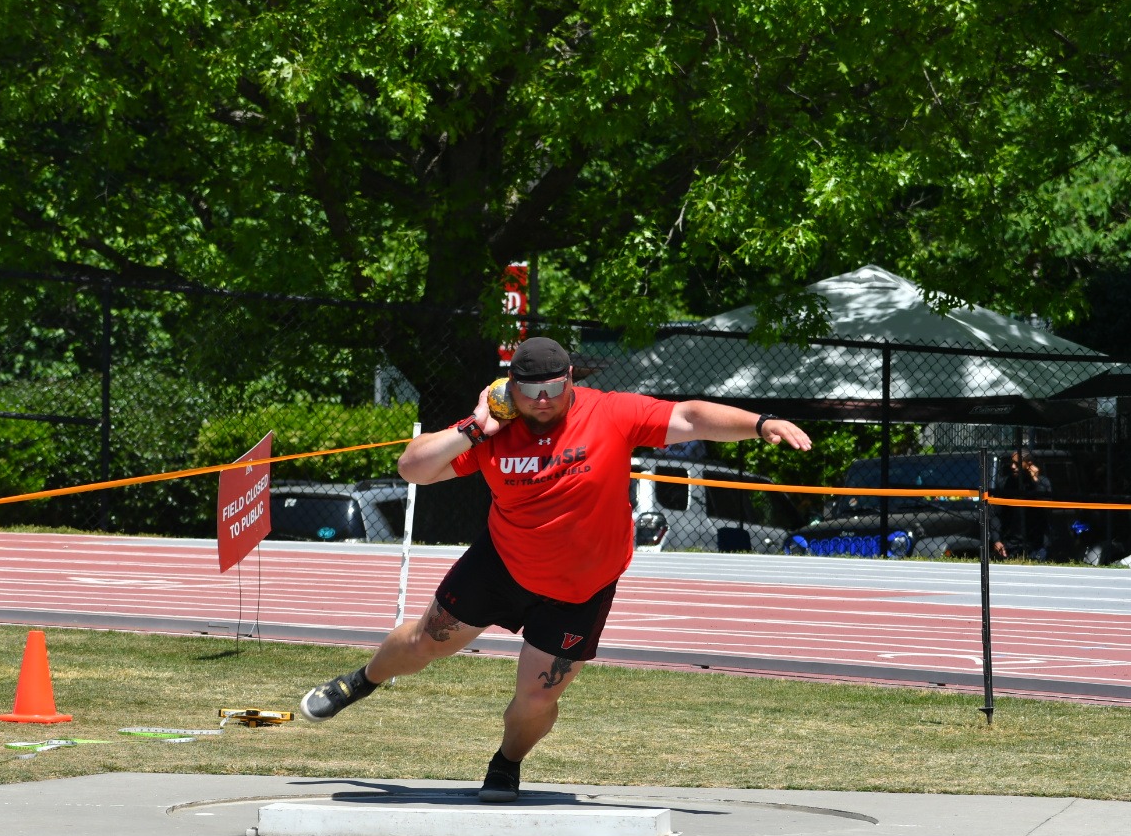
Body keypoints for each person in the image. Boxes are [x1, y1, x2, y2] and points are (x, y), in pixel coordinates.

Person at [297, 337, 813, 802]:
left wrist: (760, 424)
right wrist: (477, 427)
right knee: (424, 643)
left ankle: (506, 764)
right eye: (529, 390)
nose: (542, 400)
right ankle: (362, 681)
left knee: (536, 696)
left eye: (553, 387)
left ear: (570, 381)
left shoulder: (610, 413)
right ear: (509, 388)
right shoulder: (494, 429)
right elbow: (413, 468)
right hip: (502, 562)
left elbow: (691, 418)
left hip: (580, 587)